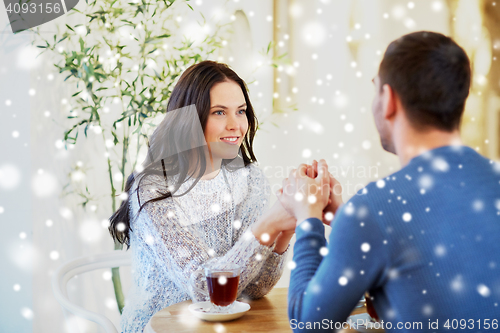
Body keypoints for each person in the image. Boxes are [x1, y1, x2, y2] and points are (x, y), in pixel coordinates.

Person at [279, 31, 500, 332]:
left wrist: (308, 219)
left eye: (375, 89)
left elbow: (309, 325)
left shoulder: (373, 211)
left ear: (389, 100)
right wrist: (347, 221)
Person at [108, 61, 295, 333]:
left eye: (241, 111)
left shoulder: (248, 178)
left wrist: (283, 231)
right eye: (219, 112)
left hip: (221, 326)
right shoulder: (153, 189)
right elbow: (204, 289)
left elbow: (255, 288)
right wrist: (267, 225)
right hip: (158, 327)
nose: (235, 125)